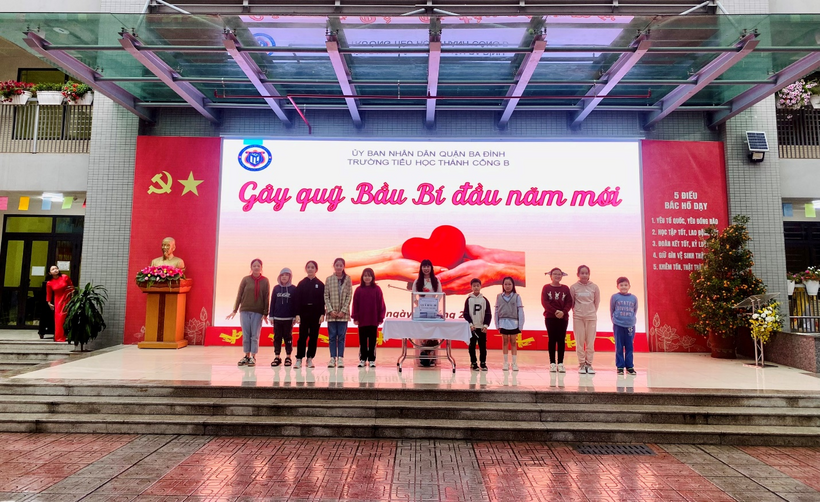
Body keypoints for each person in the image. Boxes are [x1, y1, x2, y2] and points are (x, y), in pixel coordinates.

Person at [226, 259, 270, 367]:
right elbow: (239, 295)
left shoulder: (265, 281)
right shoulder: (245, 279)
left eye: (258, 266)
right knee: (246, 335)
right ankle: (246, 355)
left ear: (261, 267)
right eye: (254, 266)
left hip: (258, 312)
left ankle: (253, 357)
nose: (256, 267)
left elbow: (266, 297)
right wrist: (235, 310)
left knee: (255, 335)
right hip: (245, 311)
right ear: (251, 267)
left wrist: (265, 313)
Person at [351, 267, 386, 368]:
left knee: (372, 341)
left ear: (373, 277)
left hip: (373, 320)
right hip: (362, 320)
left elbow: (381, 304)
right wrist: (355, 318)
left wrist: (380, 318)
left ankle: (371, 359)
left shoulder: (377, 289)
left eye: (369, 276)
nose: (367, 278)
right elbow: (355, 304)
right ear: (362, 277)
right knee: (362, 341)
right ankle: (362, 359)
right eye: (365, 276)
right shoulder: (358, 290)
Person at [570, 265, 601, 375]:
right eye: (582, 273)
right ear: (578, 274)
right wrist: (578, 312)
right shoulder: (573, 287)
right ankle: (582, 364)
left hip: (591, 317)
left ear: (589, 274)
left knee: (590, 342)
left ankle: (589, 364)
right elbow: (572, 303)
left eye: (586, 273)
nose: (584, 275)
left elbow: (596, 302)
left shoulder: (594, 287)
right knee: (579, 342)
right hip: (578, 317)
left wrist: (590, 312)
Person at [294, 260, 325, 369]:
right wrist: (297, 314)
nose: (310, 269)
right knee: (302, 336)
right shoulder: (301, 283)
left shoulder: (320, 284)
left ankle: (310, 358)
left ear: (316, 269)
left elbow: (322, 301)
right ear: (306, 269)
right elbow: (297, 300)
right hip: (304, 313)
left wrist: (322, 314)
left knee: (314, 336)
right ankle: (299, 358)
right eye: (308, 267)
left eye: (312, 267)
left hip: (316, 313)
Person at [542, 267, 573, 373]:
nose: (557, 276)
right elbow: (545, 302)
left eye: (559, 274)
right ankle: (552, 363)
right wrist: (555, 312)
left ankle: (560, 363)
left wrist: (563, 312)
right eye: (555, 274)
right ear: (551, 276)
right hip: (550, 317)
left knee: (561, 339)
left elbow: (569, 302)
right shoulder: (546, 288)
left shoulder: (565, 288)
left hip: (563, 318)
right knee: (552, 339)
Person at [324, 258, 352, 368]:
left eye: (341, 265)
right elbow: (326, 296)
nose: (339, 267)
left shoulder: (348, 279)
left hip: (343, 315)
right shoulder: (329, 279)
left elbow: (349, 295)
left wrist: (343, 311)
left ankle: (340, 358)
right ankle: (332, 358)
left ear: (343, 266)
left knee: (341, 336)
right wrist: (330, 310)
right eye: (337, 265)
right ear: (334, 266)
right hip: (331, 314)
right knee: (332, 337)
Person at [611, 276, 639, 376]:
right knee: (619, 346)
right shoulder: (615, 297)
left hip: (630, 325)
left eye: (626, 285)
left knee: (629, 346)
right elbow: (612, 309)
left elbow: (635, 310)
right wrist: (614, 320)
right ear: (617, 286)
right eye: (621, 285)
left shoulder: (634, 298)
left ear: (629, 286)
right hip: (618, 325)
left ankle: (629, 366)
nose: (624, 287)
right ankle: (620, 367)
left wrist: (630, 320)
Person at [495, 277, 524, 371]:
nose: (507, 286)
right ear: (503, 285)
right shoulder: (499, 296)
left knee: (513, 342)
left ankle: (514, 363)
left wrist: (521, 325)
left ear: (513, 285)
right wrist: (497, 324)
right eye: (506, 284)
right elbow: (496, 311)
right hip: (503, 322)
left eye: (509, 284)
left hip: (514, 322)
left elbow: (520, 311)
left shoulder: (517, 296)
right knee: (504, 341)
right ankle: (505, 362)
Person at [269, 268, 296, 367]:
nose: (284, 277)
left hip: (288, 319)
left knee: (288, 337)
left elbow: (295, 304)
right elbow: (272, 302)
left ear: (290, 277)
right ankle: (277, 357)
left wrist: (294, 316)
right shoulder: (276, 288)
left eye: (286, 275)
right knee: (277, 337)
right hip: (277, 318)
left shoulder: (293, 289)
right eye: (282, 275)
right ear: (279, 277)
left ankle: (288, 357)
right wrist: (271, 316)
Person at [463, 278, 491, 371]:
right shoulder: (468, 300)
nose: (476, 287)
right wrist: (470, 324)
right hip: (472, 328)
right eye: (474, 286)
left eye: (477, 286)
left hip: (482, 328)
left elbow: (488, 314)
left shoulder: (484, 300)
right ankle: (473, 363)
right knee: (472, 346)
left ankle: (483, 363)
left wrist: (486, 325)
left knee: (483, 347)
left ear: (480, 287)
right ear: (471, 287)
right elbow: (466, 314)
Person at [45, 265, 73, 343]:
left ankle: (70, 335)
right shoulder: (49, 283)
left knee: (69, 317)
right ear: (50, 273)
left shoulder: (65, 277)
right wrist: (49, 302)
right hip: (58, 301)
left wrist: (72, 296)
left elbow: (71, 286)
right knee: (59, 319)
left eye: (56, 268)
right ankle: (59, 337)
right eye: (53, 269)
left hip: (68, 298)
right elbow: (49, 294)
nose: (55, 270)